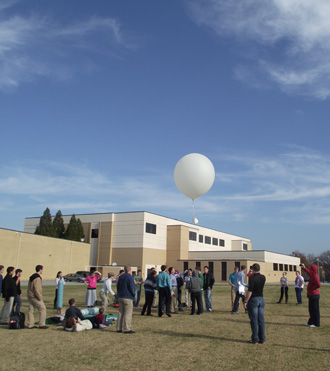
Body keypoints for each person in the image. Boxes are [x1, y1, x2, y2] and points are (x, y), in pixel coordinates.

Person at [244, 263, 266, 344]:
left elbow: (250, 291)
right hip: (261, 298)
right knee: (261, 320)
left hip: (253, 300)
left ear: (253, 269)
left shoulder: (252, 279)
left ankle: (255, 339)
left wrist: (245, 301)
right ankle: (262, 338)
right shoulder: (263, 277)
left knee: (254, 320)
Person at [27, 265, 48, 329]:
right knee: (42, 309)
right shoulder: (37, 278)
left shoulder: (32, 277)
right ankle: (41, 324)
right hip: (35, 296)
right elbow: (37, 288)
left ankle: (30, 324)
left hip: (30, 295)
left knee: (31, 310)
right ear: (40, 270)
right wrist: (39, 297)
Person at [116, 265, 135, 333]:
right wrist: (133, 294)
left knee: (120, 312)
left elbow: (117, 286)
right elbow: (132, 287)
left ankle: (118, 328)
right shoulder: (130, 277)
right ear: (130, 270)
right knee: (128, 313)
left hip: (121, 296)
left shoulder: (120, 277)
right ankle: (127, 328)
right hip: (128, 296)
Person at [301, 263, 321, 327]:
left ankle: (316, 323)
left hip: (314, 295)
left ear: (313, 269)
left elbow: (319, 285)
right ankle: (311, 322)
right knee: (311, 310)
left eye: (310, 268)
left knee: (315, 310)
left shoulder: (315, 276)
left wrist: (312, 288)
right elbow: (309, 272)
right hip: (311, 295)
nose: (309, 269)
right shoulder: (312, 275)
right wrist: (304, 267)